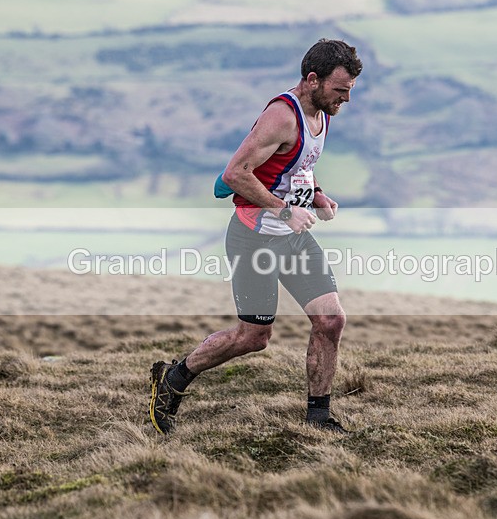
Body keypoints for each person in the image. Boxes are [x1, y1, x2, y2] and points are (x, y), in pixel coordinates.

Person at [150, 39, 362, 435]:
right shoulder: (282, 116)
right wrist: (284, 210)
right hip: (254, 239)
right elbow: (235, 174)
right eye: (340, 90)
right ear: (312, 79)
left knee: (330, 320)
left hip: (292, 238)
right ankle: (173, 378)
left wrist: (316, 195)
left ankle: (318, 419)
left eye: (350, 91)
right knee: (253, 337)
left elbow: (295, 164)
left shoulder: (322, 113)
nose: (346, 99)